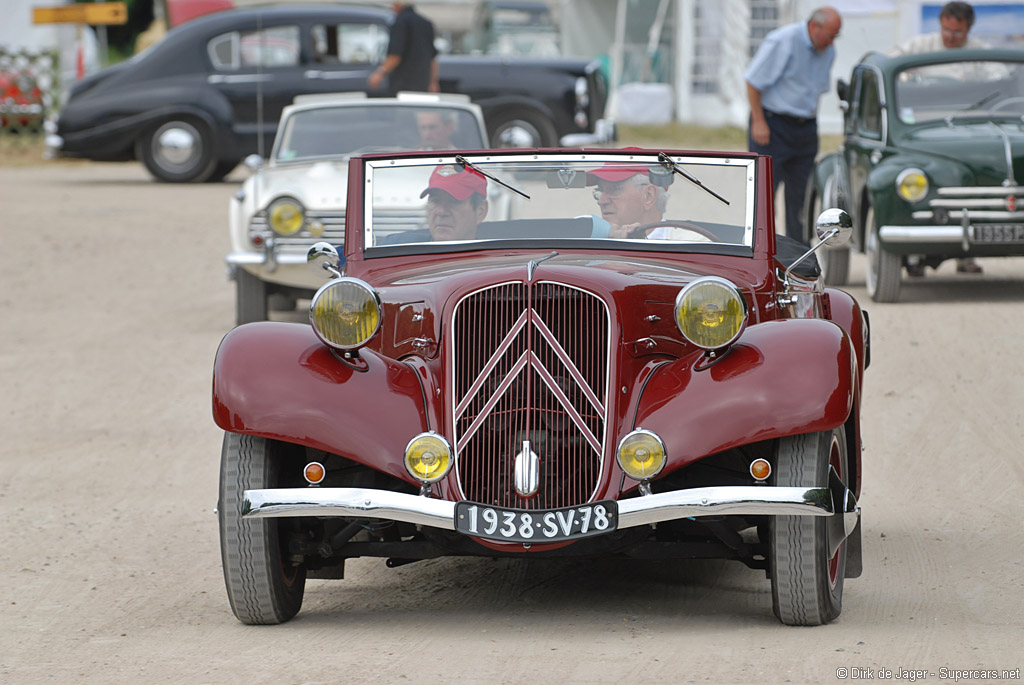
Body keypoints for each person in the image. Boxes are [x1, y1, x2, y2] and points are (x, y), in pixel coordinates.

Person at [890, 1, 986, 274]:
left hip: (967, 135)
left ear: (969, 29)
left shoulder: (981, 54)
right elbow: (891, 59)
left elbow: (1002, 78)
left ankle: (967, 254)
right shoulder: (921, 46)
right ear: (940, 24)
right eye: (946, 30)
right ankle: (914, 254)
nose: (950, 37)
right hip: (925, 134)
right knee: (921, 189)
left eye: (957, 33)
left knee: (969, 189)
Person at [745, 7, 842, 245]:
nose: (831, 42)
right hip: (772, 124)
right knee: (764, 195)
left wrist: (810, 123)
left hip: (805, 128)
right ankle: (763, 249)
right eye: (829, 35)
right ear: (813, 27)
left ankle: (797, 254)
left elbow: (816, 92)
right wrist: (759, 121)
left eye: (835, 37)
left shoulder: (828, 51)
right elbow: (753, 81)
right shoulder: (782, 41)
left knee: (801, 197)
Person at [368, 3, 440, 95]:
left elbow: (395, 56)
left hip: (403, 84)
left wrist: (379, 73)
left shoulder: (400, 22)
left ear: (398, 5)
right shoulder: (426, 23)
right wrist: (433, 82)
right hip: (422, 83)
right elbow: (433, 58)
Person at [587, 163, 670, 239]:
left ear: (648, 196)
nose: (601, 201)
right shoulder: (588, 244)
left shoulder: (681, 245)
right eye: (600, 190)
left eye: (614, 189)